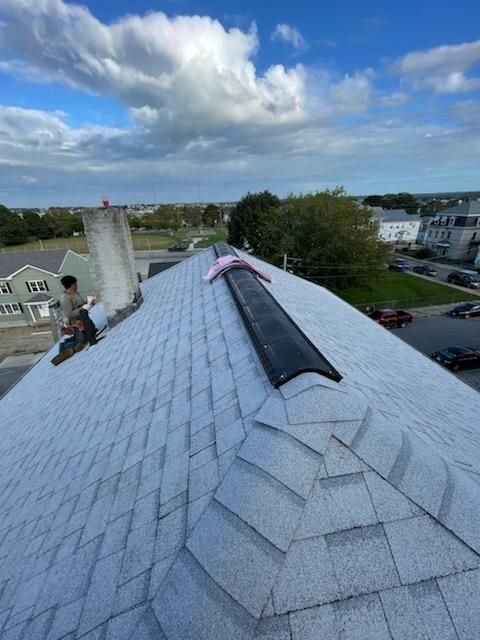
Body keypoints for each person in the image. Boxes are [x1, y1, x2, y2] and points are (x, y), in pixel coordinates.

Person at [60, 275, 100, 346]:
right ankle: (64, 345)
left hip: (84, 319)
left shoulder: (75, 293)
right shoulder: (65, 298)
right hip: (76, 324)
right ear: (72, 285)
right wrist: (83, 308)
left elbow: (80, 305)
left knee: (92, 331)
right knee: (80, 342)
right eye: (75, 284)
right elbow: (69, 314)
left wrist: (89, 303)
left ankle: (88, 334)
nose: (77, 285)